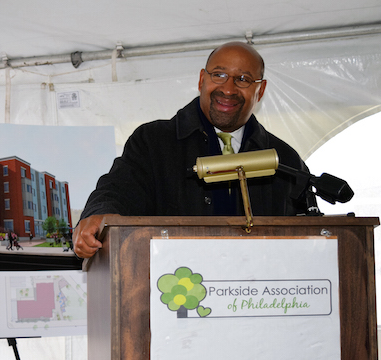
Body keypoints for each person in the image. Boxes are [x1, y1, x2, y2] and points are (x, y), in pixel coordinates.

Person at [73, 42, 316, 259]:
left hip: (257, 295)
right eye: (219, 75)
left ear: (260, 91)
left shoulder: (285, 159)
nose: (229, 89)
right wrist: (98, 214)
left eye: (243, 79)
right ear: (202, 80)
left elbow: (308, 233)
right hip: (176, 289)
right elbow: (116, 191)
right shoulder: (153, 142)